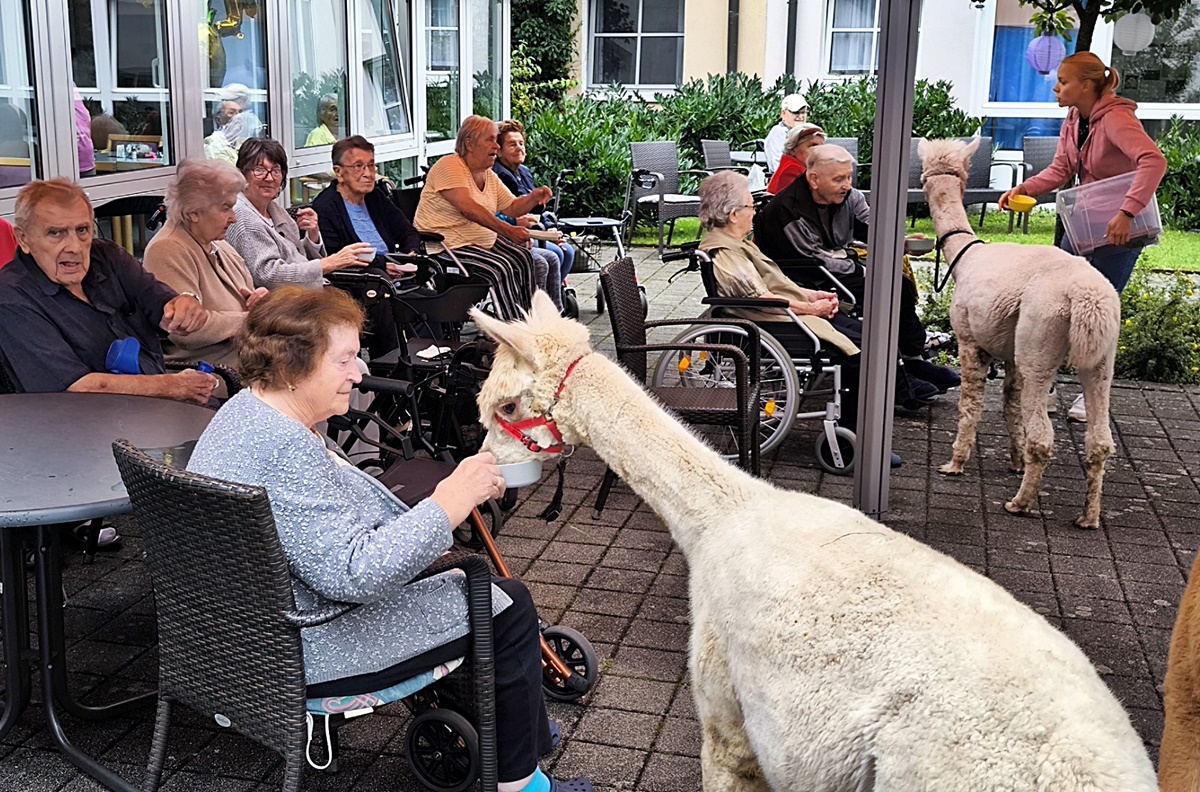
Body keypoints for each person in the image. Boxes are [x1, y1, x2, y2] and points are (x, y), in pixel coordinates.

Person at [186, 287, 593, 792]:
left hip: (240, 632)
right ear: (292, 369)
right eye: (345, 359)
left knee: (467, 585)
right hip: (300, 645)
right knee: (504, 604)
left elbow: (312, 532)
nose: (359, 374)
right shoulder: (282, 449)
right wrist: (449, 502)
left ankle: (516, 734)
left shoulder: (246, 414)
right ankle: (521, 784)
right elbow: (358, 575)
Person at [999, 52, 1166, 422]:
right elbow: (1061, 169)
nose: (1056, 87)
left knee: (1098, 313)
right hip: (1084, 227)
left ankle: (1091, 401)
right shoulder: (1076, 117)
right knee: (1053, 305)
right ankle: (1049, 388)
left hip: (1120, 233)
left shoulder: (1118, 118)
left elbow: (1154, 161)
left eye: (1063, 81)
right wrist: (1023, 187)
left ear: (1087, 85)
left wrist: (1127, 212)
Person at [756, 144, 959, 401]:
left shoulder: (849, 197)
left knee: (899, 285)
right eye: (839, 179)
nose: (847, 185)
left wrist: (903, 243)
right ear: (814, 179)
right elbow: (813, 258)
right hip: (802, 278)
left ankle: (912, 358)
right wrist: (862, 269)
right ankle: (895, 379)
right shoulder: (786, 210)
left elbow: (873, 227)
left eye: (849, 177)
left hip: (836, 267)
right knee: (882, 288)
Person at [0, 178, 213, 401]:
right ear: (23, 239)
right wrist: (172, 386)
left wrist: (184, 306)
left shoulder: (106, 257)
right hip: (83, 424)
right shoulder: (11, 298)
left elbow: (162, 304)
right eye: (56, 233)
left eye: (82, 230)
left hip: (153, 405)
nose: (74, 247)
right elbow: (74, 386)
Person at [415, 116, 548, 321]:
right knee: (500, 268)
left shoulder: (487, 174)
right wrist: (508, 231)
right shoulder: (449, 166)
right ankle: (511, 333)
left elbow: (512, 207)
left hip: (479, 241)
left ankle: (531, 323)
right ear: (469, 143)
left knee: (524, 258)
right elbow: (469, 209)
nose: (496, 145)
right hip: (446, 246)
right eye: (490, 140)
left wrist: (533, 197)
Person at [143, 159, 269, 369]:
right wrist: (253, 320)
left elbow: (247, 299)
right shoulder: (167, 249)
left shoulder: (217, 243)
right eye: (225, 208)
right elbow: (186, 330)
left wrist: (262, 303)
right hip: (212, 370)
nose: (233, 218)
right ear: (193, 212)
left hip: (246, 355)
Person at [227, 137, 373, 290]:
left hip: (306, 294)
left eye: (276, 171)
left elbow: (295, 256)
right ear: (242, 174)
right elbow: (269, 275)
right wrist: (330, 262)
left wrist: (312, 235)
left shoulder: (273, 209)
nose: (269, 178)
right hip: (286, 305)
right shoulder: (243, 218)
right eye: (259, 170)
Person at [493, 119, 569, 311]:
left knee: (567, 252)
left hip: (533, 229)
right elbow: (506, 212)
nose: (519, 148)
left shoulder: (523, 172)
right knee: (555, 254)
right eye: (512, 144)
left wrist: (549, 227)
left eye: (521, 143)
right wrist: (521, 223)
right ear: (499, 150)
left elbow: (536, 209)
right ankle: (537, 307)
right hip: (512, 234)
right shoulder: (498, 176)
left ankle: (554, 299)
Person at [766, 123, 825, 196]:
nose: (818, 151)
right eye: (812, 146)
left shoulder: (800, 168)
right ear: (793, 149)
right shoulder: (792, 170)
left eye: (821, 148)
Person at [764, 93, 808, 173]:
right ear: (783, 113)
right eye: (796, 112)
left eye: (803, 112)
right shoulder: (778, 132)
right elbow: (777, 167)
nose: (801, 116)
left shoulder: (806, 133)